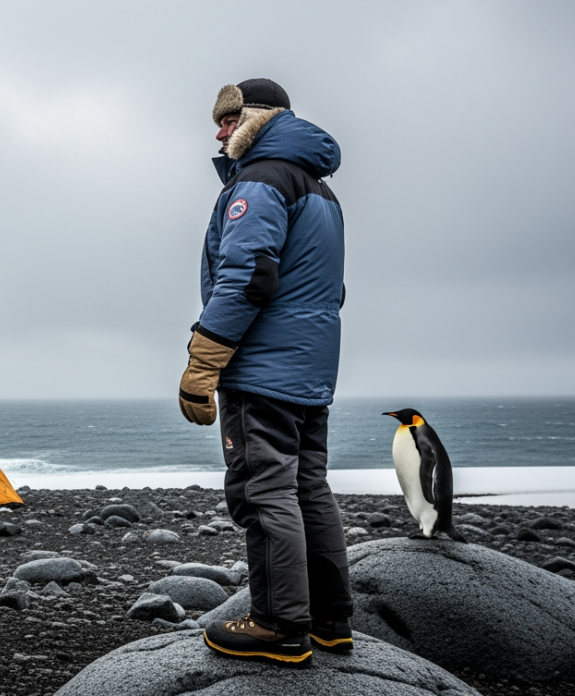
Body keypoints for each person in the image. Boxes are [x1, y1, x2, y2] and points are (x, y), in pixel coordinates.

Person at [178, 78, 352, 666]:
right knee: (307, 487)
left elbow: (249, 275)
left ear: (258, 119)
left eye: (229, 120)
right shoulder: (321, 191)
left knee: (263, 490)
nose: (220, 132)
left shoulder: (259, 180)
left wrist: (203, 364)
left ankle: (279, 626)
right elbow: (332, 288)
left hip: (261, 368)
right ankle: (330, 620)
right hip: (309, 367)